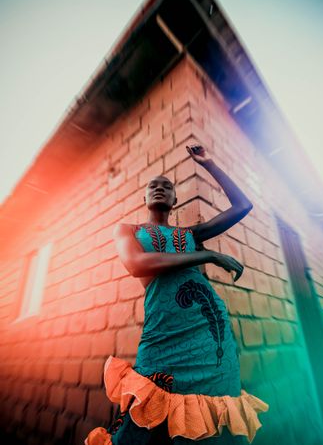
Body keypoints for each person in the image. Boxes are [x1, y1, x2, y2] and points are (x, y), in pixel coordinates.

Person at [85, 144, 269, 445]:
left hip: (210, 335)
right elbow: (136, 264)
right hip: (162, 335)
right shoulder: (127, 230)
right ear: (145, 198)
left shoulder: (189, 235)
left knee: (210, 424)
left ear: (175, 199)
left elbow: (242, 206)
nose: (159, 188)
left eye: (166, 186)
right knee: (139, 428)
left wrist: (208, 163)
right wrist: (205, 256)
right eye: (153, 186)